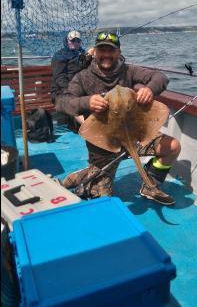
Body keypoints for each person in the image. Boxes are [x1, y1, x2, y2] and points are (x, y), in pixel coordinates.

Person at [56, 31, 181, 205]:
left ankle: (150, 184)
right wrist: (87, 102)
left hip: (136, 135)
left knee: (172, 147)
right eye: (102, 50)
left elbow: (160, 77)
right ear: (95, 52)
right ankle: (88, 173)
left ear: (118, 52)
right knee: (103, 201)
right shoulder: (83, 78)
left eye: (111, 50)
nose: (106, 55)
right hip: (103, 144)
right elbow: (61, 102)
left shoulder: (128, 71)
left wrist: (150, 89)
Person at [51, 30, 94, 127]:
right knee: (72, 101)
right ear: (67, 41)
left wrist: (90, 57)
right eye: (72, 40)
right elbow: (59, 78)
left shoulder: (81, 54)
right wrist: (71, 90)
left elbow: (84, 67)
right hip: (61, 91)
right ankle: (89, 126)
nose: (75, 43)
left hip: (80, 88)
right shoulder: (59, 56)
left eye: (78, 41)